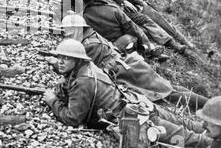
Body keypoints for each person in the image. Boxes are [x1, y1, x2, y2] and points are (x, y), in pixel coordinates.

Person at [43, 39, 211, 148]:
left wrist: (52, 101)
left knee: (186, 136)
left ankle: (215, 143)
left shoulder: (82, 81)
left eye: (66, 58)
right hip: (135, 102)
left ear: (77, 60)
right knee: (183, 123)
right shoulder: (87, 68)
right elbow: (68, 84)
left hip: (132, 118)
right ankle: (211, 131)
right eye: (60, 58)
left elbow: (72, 118)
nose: (61, 62)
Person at [59, 14, 208, 110]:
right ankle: (208, 103)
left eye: (69, 30)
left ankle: (208, 105)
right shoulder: (89, 36)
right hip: (128, 66)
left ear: (78, 28)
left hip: (126, 72)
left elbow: (79, 70)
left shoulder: (89, 45)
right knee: (169, 89)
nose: (67, 34)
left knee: (167, 94)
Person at [79, 0, 186, 55]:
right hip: (119, 38)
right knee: (137, 34)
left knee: (145, 21)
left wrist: (124, 2)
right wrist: (146, 44)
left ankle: (171, 44)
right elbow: (131, 28)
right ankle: (150, 50)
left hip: (104, 43)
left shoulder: (83, 13)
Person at [98, 0, 194, 48]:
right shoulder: (104, 0)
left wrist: (140, 2)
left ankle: (179, 39)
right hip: (124, 21)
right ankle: (166, 44)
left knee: (153, 15)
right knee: (145, 25)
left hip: (136, 12)